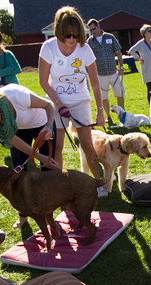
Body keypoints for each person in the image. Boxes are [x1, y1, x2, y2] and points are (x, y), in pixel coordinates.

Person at [38, 6, 105, 193]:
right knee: (57, 145)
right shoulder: (49, 47)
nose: (72, 40)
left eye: (76, 36)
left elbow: (95, 82)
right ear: (59, 32)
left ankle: (98, 182)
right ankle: (60, 185)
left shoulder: (85, 49)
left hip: (80, 100)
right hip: (55, 101)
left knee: (87, 144)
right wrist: (58, 104)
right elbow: (43, 81)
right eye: (68, 35)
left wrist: (100, 111)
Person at [0, 82, 57, 172]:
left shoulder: (17, 95)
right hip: (18, 129)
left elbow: (49, 105)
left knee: (48, 169)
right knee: (18, 169)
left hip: (43, 124)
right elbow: (12, 139)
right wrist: (38, 156)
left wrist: (49, 126)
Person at [86, 18, 125, 126]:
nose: (93, 31)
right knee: (104, 97)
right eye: (91, 30)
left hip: (113, 72)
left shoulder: (110, 37)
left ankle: (122, 115)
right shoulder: (90, 41)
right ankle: (108, 116)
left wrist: (121, 67)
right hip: (100, 74)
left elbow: (118, 52)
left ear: (98, 26)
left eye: (94, 28)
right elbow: (88, 58)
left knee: (120, 94)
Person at [129, 25, 151, 103]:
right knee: (149, 88)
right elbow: (132, 50)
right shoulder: (141, 43)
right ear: (144, 33)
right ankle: (150, 104)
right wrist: (139, 58)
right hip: (147, 68)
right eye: (149, 31)